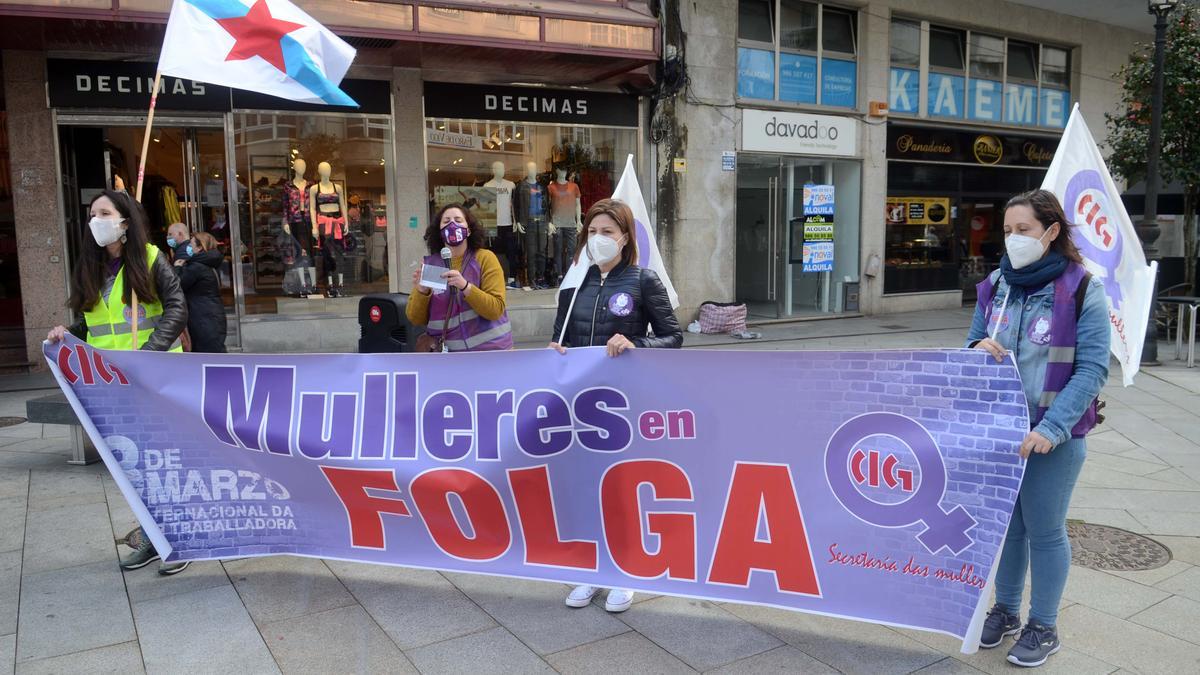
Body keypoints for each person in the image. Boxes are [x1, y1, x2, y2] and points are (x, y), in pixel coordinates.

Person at [967, 189, 1109, 667]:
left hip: (1053, 436)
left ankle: (1043, 625)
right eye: (1007, 231)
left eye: (1023, 230)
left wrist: (1052, 428)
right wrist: (976, 351)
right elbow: (969, 345)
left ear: (1051, 232)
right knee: (1009, 529)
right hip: (1001, 431)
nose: (1013, 240)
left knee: (1045, 531)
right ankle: (1005, 611)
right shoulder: (994, 287)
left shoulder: (1083, 290)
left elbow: (1091, 371)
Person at [46, 189, 190, 576]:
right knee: (136, 467)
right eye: (92, 214)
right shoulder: (89, 267)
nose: (96, 220)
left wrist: (148, 353)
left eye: (104, 213)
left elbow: (177, 308)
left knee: (163, 463)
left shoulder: (150, 258)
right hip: (111, 384)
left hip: (154, 378)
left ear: (124, 222)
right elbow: (92, 323)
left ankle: (175, 540)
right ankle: (151, 537)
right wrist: (67, 333)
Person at [550, 198, 682, 612]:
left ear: (625, 238)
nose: (598, 239)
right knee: (585, 489)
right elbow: (560, 342)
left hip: (623, 408)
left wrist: (635, 342)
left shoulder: (644, 282)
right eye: (592, 232)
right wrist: (556, 350)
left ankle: (626, 572)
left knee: (621, 490)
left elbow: (674, 337)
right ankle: (592, 571)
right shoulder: (573, 288)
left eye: (607, 232)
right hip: (580, 408)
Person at [406, 204, 513, 351]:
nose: (452, 224)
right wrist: (421, 291)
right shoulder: (433, 265)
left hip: (491, 354)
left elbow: (495, 310)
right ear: (440, 231)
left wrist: (465, 286)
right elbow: (415, 318)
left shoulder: (485, 259)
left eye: (458, 220)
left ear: (468, 230)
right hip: (451, 359)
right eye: (446, 221)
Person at [173, 231, 228, 353]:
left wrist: (177, 267)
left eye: (191, 245)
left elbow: (177, 285)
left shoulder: (197, 267)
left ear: (199, 248)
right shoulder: (209, 264)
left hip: (203, 320)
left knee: (207, 357)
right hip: (210, 317)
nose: (188, 248)